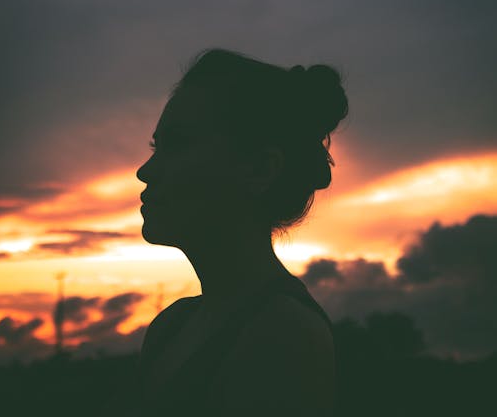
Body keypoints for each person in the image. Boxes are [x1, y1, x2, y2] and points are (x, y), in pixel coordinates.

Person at [135, 48, 349, 416]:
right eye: (156, 146)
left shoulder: (284, 336)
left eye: (178, 144)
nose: (145, 170)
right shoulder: (171, 326)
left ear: (260, 170)